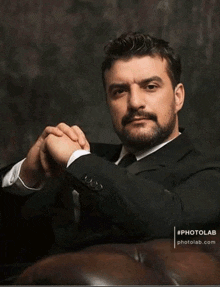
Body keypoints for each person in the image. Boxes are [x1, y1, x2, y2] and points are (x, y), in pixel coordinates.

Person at [1, 32, 220, 268]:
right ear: (108, 102)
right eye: (119, 91)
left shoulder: (208, 173)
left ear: (178, 97)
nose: (135, 102)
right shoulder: (77, 155)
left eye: (150, 86)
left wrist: (76, 159)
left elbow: (172, 226)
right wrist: (26, 176)